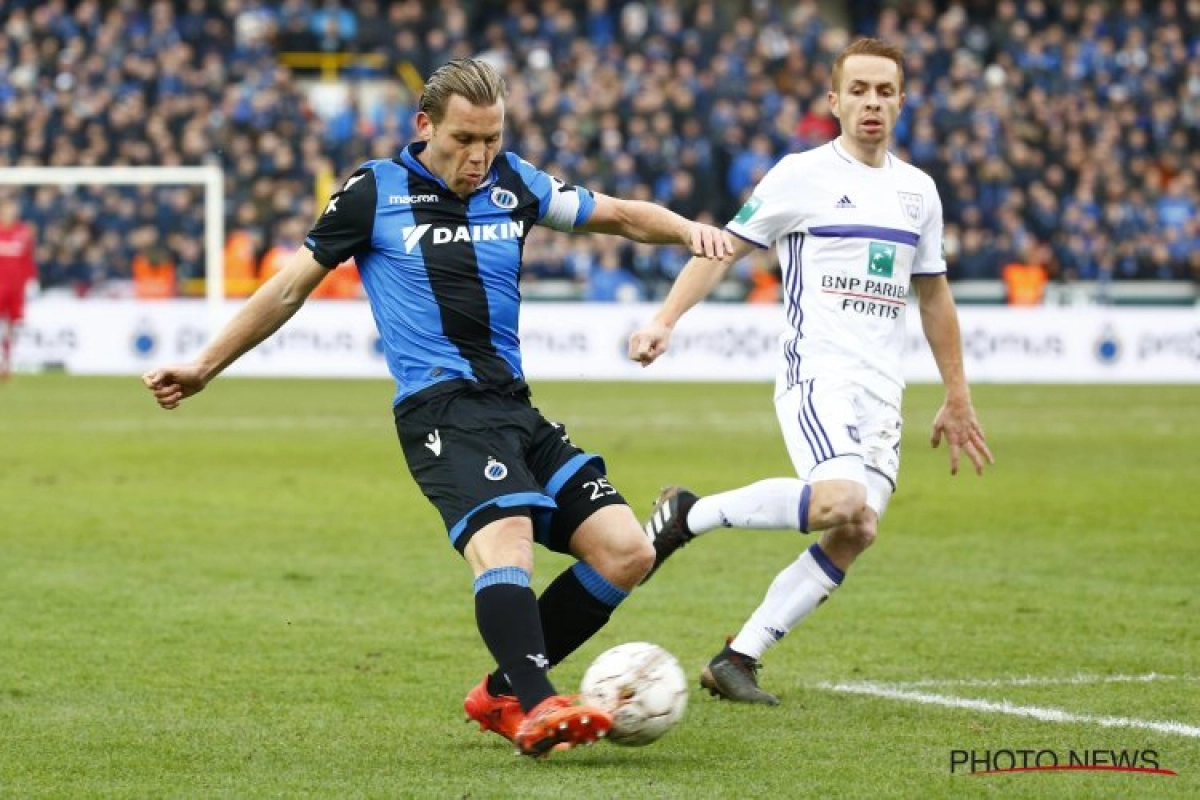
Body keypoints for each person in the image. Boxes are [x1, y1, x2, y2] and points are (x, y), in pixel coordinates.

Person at [143, 58, 732, 755]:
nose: (479, 156)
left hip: (516, 408)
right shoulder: (372, 190)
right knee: (506, 538)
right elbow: (286, 290)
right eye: (464, 139)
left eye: (491, 137)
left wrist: (690, 231)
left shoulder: (515, 181)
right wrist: (205, 365)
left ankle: (504, 692)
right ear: (424, 126)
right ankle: (540, 704)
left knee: (627, 552)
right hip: (441, 412)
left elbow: (622, 217)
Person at [628, 38, 993, 705]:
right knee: (838, 502)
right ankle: (690, 514)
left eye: (885, 91)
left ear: (902, 101)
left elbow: (934, 294)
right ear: (834, 101)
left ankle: (739, 656)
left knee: (856, 530)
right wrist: (665, 320)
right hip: (817, 372)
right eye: (859, 90)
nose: (872, 103)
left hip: (884, 390)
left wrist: (957, 393)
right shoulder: (802, 175)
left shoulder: (919, 193)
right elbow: (722, 250)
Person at [0, 197, 38, 381]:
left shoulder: (23, 232)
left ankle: (7, 363)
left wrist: (31, 281)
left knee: (11, 326)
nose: (11, 213)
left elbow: (28, 259)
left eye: (13, 209)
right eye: (7, 209)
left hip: (16, 288)